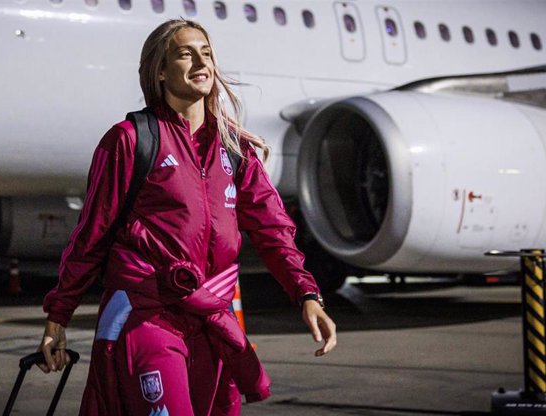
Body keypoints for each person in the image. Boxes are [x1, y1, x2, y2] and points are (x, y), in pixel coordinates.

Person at [38, 19, 337, 416]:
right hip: (147, 315)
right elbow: (91, 235)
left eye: (207, 52)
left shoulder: (235, 149)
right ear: (160, 71)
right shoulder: (130, 140)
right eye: (186, 53)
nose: (201, 61)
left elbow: (273, 231)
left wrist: (307, 295)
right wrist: (58, 317)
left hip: (212, 319)